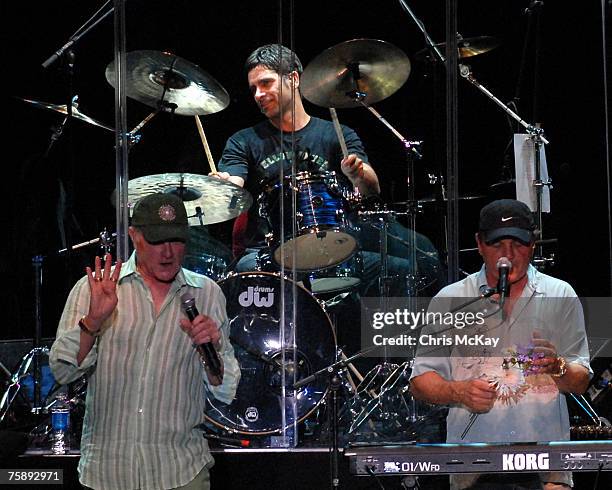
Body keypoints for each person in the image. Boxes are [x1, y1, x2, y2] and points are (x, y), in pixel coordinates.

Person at [212, 43, 442, 297]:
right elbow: (235, 182)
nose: (257, 94)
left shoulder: (336, 134)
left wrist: (357, 174)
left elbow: (371, 189)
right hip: (268, 252)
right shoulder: (243, 140)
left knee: (416, 260)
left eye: (265, 83)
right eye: (253, 88)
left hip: (336, 247)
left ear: (294, 79)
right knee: (242, 279)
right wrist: (222, 185)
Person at [49, 192, 240, 490]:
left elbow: (225, 389)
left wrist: (211, 348)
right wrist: (93, 323)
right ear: (134, 236)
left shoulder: (206, 293)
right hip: (107, 473)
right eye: (156, 241)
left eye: (177, 241)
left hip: (180, 471)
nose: (168, 253)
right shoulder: (94, 288)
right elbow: (62, 372)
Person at [410, 199, 592, 489]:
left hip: (546, 467)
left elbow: (581, 381)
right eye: (497, 244)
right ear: (479, 244)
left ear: (532, 244)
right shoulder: (451, 300)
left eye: (518, 243)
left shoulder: (561, 294)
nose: (508, 255)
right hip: (472, 465)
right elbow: (420, 382)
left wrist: (558, 368)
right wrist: (459, 391)